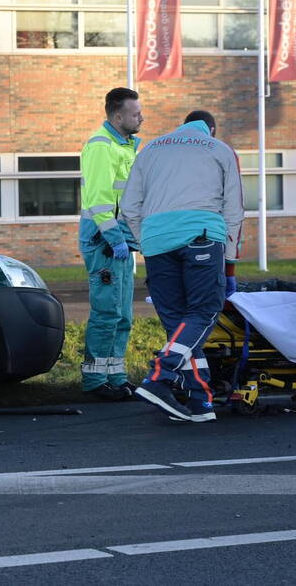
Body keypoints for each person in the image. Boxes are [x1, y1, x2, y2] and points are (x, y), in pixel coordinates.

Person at [120, 110, 244, 422]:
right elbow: (234, 210)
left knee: (179, 324)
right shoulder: (219, 149)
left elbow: (129, 207)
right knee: (204, 311)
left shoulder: (149, 150)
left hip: (157, 241)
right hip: (202, 235)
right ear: (210, 128)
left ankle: (200, 401)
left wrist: (146, 241)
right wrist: (229, 266)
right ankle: (159, 377)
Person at [77, 87, 142, 401]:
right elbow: (100, 202)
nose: (140, 117)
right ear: (118, 116)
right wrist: (116, 239)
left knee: (123, 315)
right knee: (107, 312)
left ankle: (115, 377)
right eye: (135, 113)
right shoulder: (102, 147)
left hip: (119, 243)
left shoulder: (124, 147)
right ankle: (95, 381)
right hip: (105, 241)